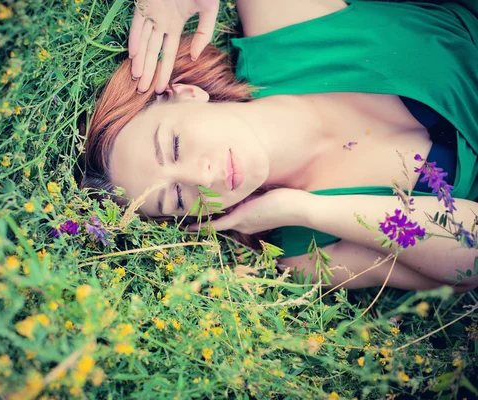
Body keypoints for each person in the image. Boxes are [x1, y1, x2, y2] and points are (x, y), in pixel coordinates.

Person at [81, 0, 478, 292]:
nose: (201, 178)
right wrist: (307, 209)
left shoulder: (281, 26)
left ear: (186, 93)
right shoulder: (306, 253)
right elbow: (470, 260)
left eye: (176, 146)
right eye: (179, 198)